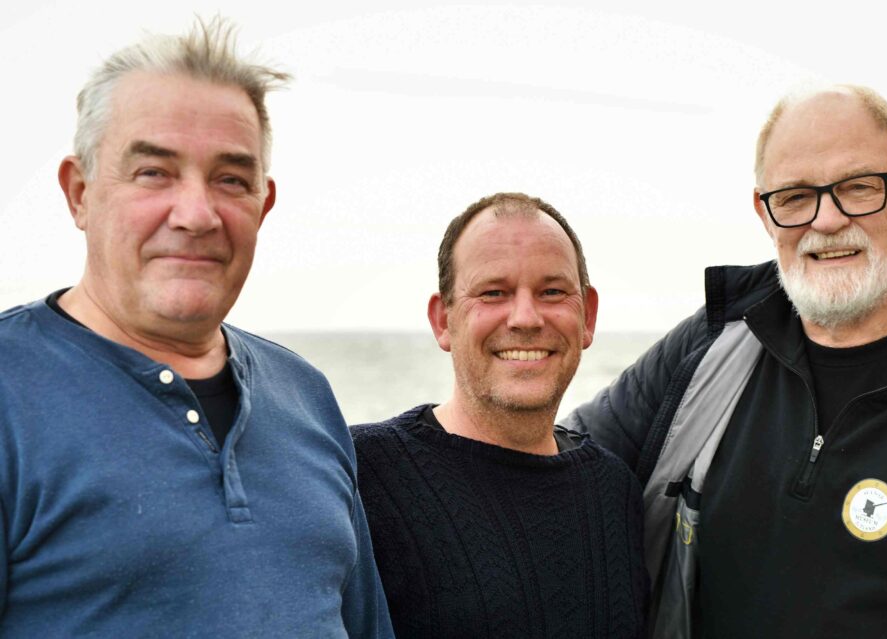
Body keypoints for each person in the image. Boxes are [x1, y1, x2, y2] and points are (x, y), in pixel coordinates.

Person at [566, 86, 887, 638]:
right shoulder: (712, 347)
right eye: (795, 197)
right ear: (765, 213)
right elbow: (565, 472)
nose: (826, 221)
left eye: (859, 187)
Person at [0, 18, 392, 637]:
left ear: (263, 205)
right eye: (154, 172)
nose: (196, 214)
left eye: (230, 179)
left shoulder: (306, 396)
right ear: (79, 192)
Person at [352, 193, 649, 638]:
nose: (526, 318)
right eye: (494, 293)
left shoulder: (614, 491)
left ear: (587, 316)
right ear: (442, 320)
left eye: (552, 292)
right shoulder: (362, 474)